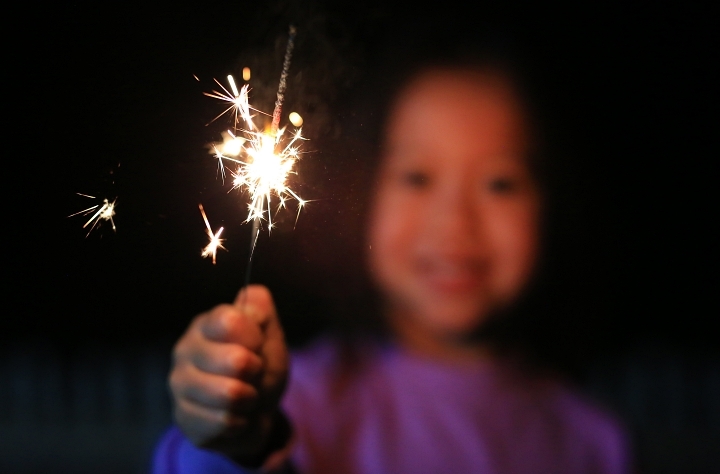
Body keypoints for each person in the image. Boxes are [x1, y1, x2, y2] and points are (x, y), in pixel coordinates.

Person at [152, 62, 630, 474]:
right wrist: (235, 441)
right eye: (417, 177)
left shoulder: (596, 442)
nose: (454, 222)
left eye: (500, 183)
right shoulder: (297, 401)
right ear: (363, 197)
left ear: (552, 205)